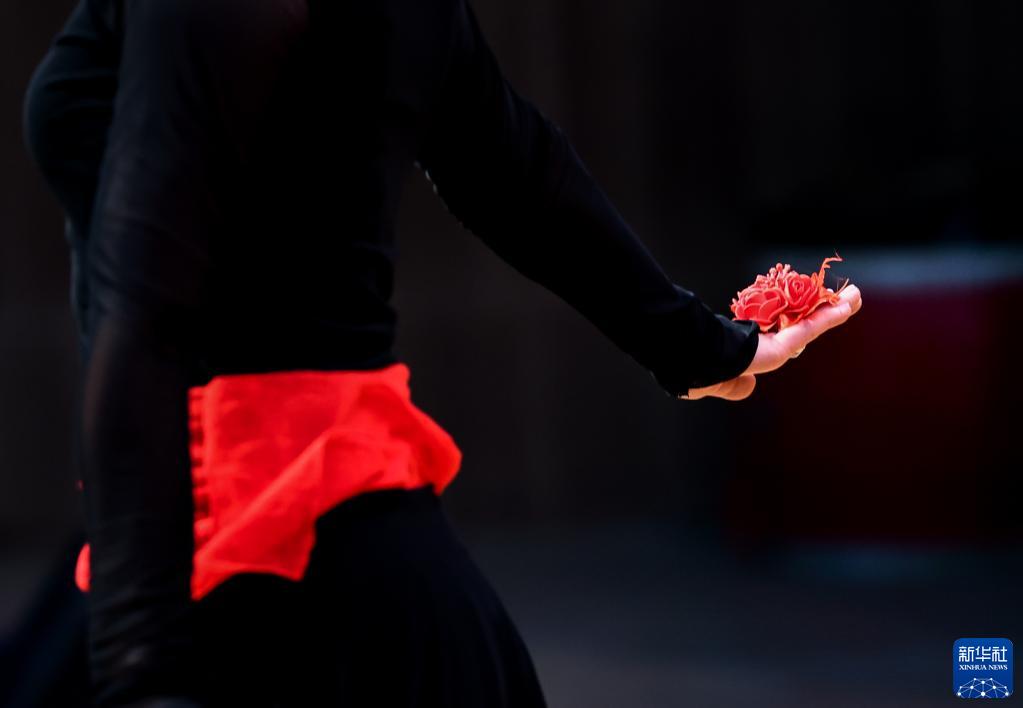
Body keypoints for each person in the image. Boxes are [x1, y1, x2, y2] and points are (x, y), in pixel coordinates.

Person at [22, 0, 862, 705]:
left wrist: (142, 671)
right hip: (229, 535)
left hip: (271, 555)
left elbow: (501, 156)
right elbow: (507, 164)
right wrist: (695, 348)